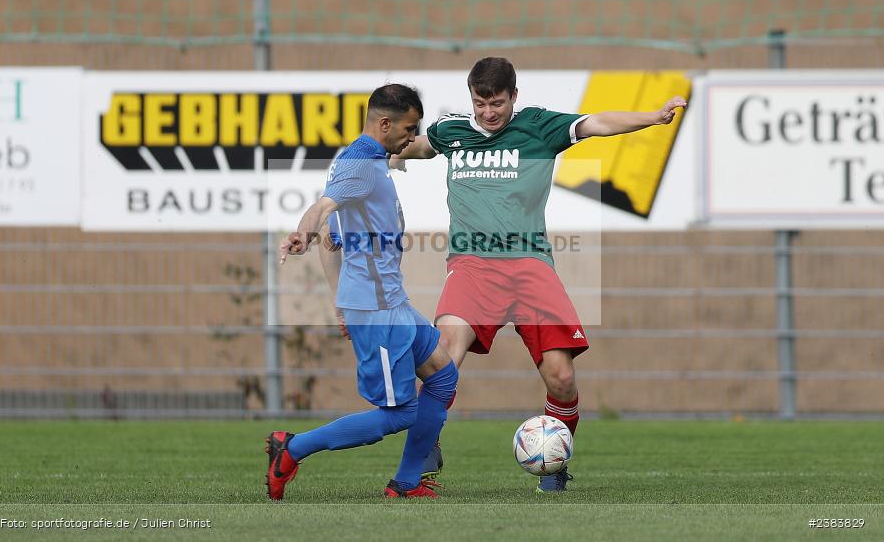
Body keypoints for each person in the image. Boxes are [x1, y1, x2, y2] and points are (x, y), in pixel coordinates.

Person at [391, 57, 687, 492]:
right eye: (480, 103)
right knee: (441, 362)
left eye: (497, 103)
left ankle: (556, 461)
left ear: (514, 96)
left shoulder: (538, 127)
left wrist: (654, 117)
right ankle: (424, 451)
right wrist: (384, 154)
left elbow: (598, 123)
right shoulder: (451, 131)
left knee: (562, 379)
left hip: (530, 265)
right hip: (471, 266)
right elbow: (416, 146)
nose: (488, 113)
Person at [267, 83, 458, 501]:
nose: (412, 136)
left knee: (444, 378)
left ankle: (406, 484)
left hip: (390, 302)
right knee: (401, 412)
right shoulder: (359, 167)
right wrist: (301, 233)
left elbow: (333, 241)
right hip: (376, 310)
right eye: (409, 129)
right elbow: (323, 210)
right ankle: (291, 449)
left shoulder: (370, 160)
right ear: (385, 124)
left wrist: (338, 301)